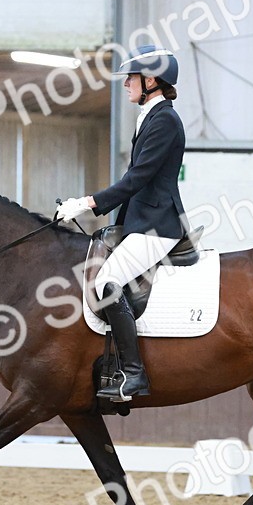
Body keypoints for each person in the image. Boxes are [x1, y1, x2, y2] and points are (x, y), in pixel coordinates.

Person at [56, 45, 188, 402]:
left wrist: (88, 203)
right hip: (140, 221)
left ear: (150, 80)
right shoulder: (150, 114)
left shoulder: (165, 120)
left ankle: (134, 375)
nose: (127, 83)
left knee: (106, 280)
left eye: (132, 77)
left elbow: (139, 177)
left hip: (159, 225)